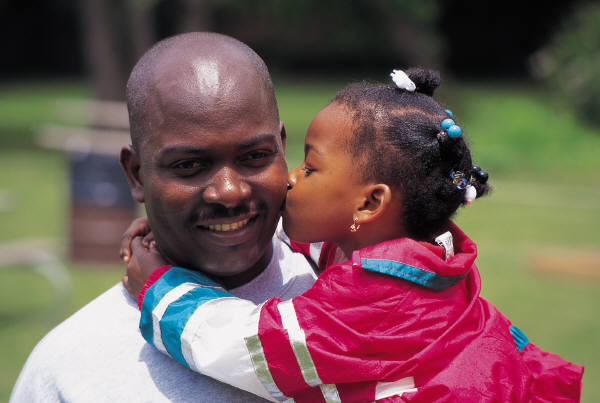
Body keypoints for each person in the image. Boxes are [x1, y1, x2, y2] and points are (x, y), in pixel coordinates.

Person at [123, 69, 584, 402]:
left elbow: (251, 348)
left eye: (311, 166)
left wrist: (159, 285)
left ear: (368, 204)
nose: (291, 179)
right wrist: (230, 219)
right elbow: (320, 239)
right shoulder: (415, 256)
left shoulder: (372, 299)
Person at [10, 32, 317, 402]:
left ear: (282, 149)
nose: (229, 191)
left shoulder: (367, 289)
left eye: (254, 157)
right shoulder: (67, 369)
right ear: (136, 174)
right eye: (189, 165)